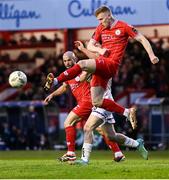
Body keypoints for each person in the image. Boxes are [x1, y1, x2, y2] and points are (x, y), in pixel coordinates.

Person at [44, 6, 159, 131]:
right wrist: (100, 49)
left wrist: (151, 55)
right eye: (98, 20)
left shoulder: (124, 26)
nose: (100, 22)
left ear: (109, 16)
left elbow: (141, 38)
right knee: (97, 102)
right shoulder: (101, 28)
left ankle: (55, 81)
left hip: (111, 64)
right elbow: (90, 45)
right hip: (101, 65)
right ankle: (127, 112)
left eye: (101, 19)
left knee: (82, 63)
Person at [44, 50, 125, 162]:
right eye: (65, 61)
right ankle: (118, 153)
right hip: (86, 103)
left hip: (87, 101)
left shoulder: (83, 68)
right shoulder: (69, 73)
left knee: (68, 122)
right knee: (102, 130)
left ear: (75, 59)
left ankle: (71, 153)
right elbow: (64, 87)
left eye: (69, 60)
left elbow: (88, 75)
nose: (67, 63)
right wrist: (52, 94)